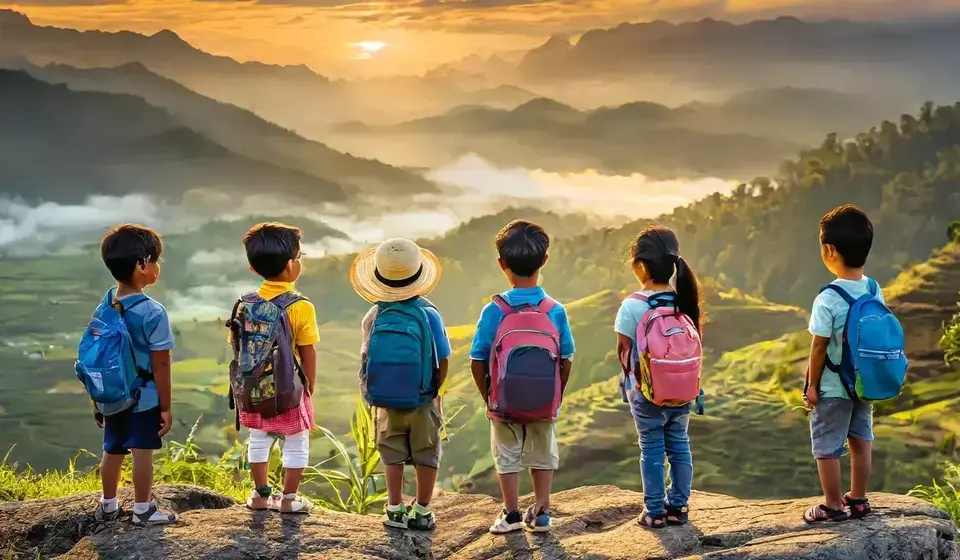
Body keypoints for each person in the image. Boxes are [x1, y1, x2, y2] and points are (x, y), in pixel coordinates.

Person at [470, 220, 575, 534]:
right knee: (543, 454)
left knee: (506, 456)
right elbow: (566, 358)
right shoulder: (554, 310)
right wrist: (556, 392)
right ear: (544, 260)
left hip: (503, 400)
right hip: (545, 400)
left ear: (501, 264)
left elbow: (478, 359)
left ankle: (512, 514)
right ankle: (542, 513)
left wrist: (488, 395)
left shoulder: (494, 310)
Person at [350, 238, 451, 531]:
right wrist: (434, 391)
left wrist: (371, 394)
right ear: (419, 276)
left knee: (391, 453)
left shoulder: (375, 314)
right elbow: (443, 359)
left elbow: (366, 357)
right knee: (427, 454)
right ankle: (420, 510)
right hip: (422, 399)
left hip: (386, 400)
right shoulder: (430, 314)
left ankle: (394, 508)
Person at [614, 225, 702, 529]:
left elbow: (624, 350)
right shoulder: (683, 299)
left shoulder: (632, 305)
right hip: (683, 390)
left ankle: (654, 510)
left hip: (647, 391)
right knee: (679, 443)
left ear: (640, 265)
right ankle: (679, 505)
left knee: (651, 447)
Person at [93, 224, 178, 525]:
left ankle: (108, 505)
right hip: (145, 398)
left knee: (112, 449)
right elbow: (162, 365)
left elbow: (98, 358)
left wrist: (98, 400)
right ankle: (143, 509)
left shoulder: (105, 307)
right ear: (142, 264)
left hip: (113, 395)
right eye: (155, 260)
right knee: (142, 452)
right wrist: (166, 407)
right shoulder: (152, 312)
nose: (157, 267)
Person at [802, 205, 880, 523]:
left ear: (830, 250)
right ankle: (858, 500)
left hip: (835, 385)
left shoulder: (828, 298)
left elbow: (819, 347)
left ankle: (833, 506)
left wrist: (811, 385)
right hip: (864, 383)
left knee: (827, 445)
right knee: (862, 440)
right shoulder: (874, 289)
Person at [235, 222, 319, 514]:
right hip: (288, 388)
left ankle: (259, 495)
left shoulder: (244, 304)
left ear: (253, 269)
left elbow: (238, 345)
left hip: (252, 386)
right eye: (300, 257)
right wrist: (309, 386)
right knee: (296, 442)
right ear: (290, 264)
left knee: (258, 438)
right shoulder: (300, 306)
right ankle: (288, 499)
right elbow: (308, 351)